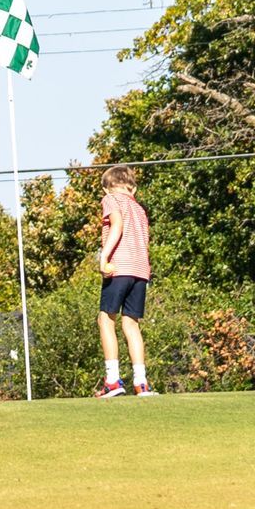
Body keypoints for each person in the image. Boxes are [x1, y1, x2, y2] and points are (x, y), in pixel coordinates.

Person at [95, 164, 155, 398]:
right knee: (131, 324)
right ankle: (141, 383)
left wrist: (105, 256)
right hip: (141, 270)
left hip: (119, 267)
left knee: (105, 319)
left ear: (107, 188)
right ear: (134, 188)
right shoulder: (139, 209)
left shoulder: (111, 200)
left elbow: (117, 225)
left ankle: (112, 381)